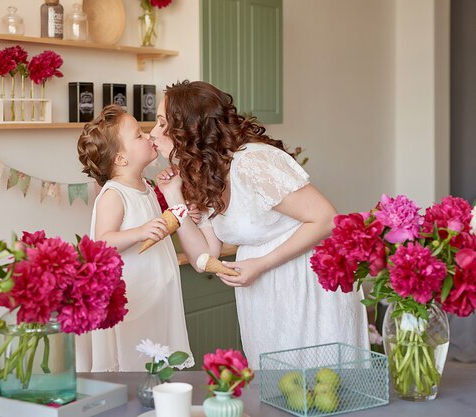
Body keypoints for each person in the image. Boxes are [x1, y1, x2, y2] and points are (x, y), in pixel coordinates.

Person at [150, 81, 369, 369]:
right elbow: (205, 257)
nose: (153, 132)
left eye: (161, 123)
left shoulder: (252, 161)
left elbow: (326, 218)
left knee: (320, 383)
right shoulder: (202, 173)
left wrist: (262, 263)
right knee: (278, 386)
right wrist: (173, 196)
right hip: (262, 291)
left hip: (306, 280)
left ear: (190, 129)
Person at [76, 104, 193, 371]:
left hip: (158, 293)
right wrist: (139, 232)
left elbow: (158, 227)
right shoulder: (114, 194)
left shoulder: (147, 187)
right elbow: (102, 242)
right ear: (121, 159)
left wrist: (180, 214)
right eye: (139, 135)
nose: (150, 136)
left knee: (159, 360)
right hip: (135, 297)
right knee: (136, 360)